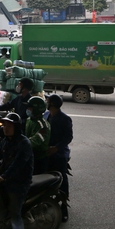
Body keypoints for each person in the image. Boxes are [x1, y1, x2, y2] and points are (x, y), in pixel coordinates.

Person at [45, 94, 73, 222]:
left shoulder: (65, 119)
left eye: (48, 101)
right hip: (46, 150)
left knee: (61, 177)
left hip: (59, 151)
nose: (46, 102)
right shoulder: (46, 115)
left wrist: (56, 148)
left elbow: (68, 138)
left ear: (53, 104)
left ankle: (63, 205)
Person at [25, 96, 51, 175]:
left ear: (36, 109)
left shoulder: (43, 125)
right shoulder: (29, 120)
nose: (28, 110)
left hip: (39, 158)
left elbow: (36, 140)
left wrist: (22, 144)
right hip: (29, 154)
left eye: (30, 108)